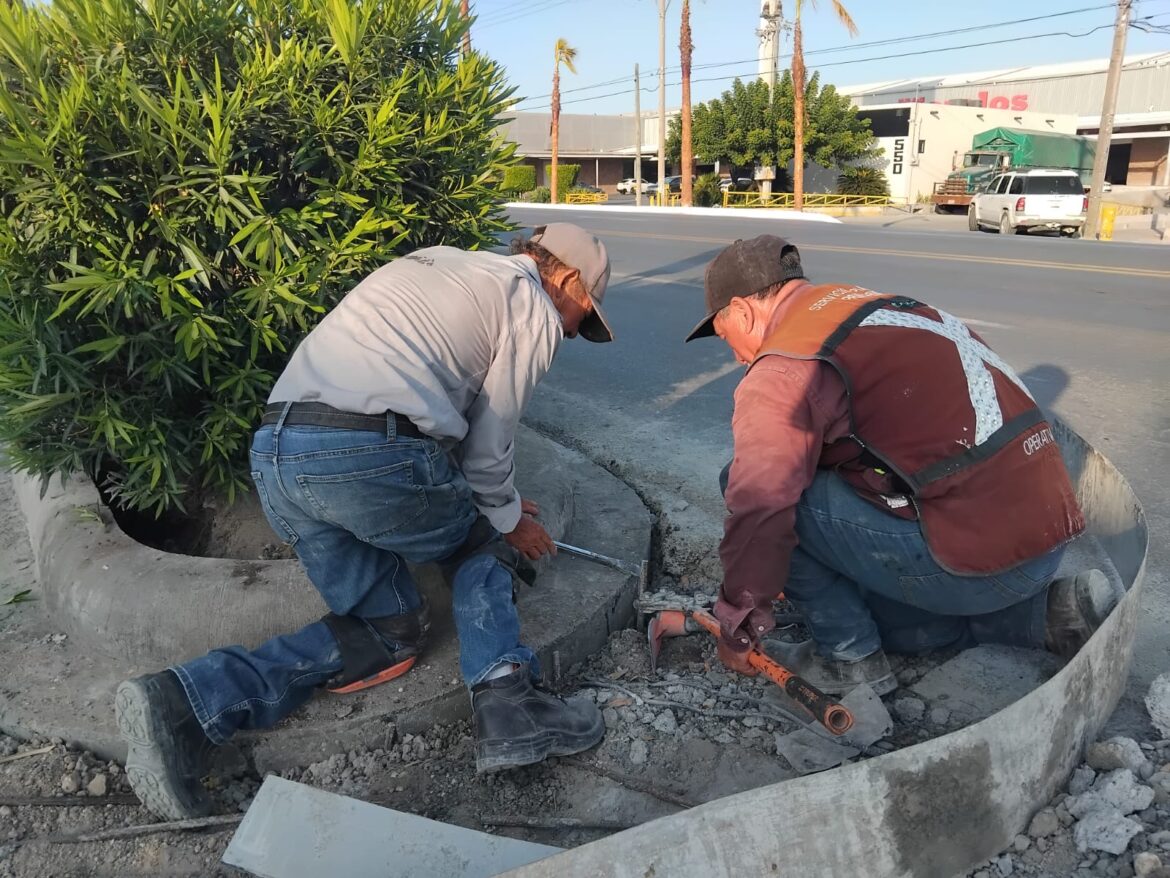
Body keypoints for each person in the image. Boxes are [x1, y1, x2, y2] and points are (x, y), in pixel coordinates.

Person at [115, 223, 615, 820]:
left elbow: (432, 405)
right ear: (565, 278)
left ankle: (191, 700)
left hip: (278, 454)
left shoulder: (439, 262)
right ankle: (511, 705)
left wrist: (493, 501)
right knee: (486, 547)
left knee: (386, 633)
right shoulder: (527, 300)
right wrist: (506, 520)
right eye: (580, 315)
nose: (570, 330)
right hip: (368, 456)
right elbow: (492, 438)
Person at [685, 235, 1121, 695]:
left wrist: (737, 621)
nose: (734, 355)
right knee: (879, 604)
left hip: (980, 563)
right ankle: (1044, 615)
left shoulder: (786, 365)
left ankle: (849, 659)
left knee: (754, 489)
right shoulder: (877, 307)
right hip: (1045, 545)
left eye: (723, 334)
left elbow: (761, 510)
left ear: (744, 311)